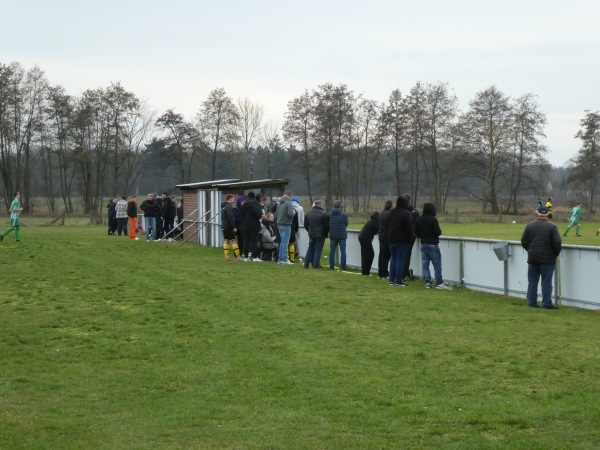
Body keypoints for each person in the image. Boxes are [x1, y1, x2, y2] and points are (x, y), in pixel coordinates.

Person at [521, 205, 562, 309]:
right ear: (547, 215)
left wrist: (529, 250)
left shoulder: (529, 225)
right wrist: (555, 254)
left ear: (537, 214)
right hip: (548, 259)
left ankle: (531, 303)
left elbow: (523, 241)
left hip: (533, 258)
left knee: (532, 282)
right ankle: (546, 303)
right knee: (546, 282)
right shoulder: (552, 226)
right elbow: (557, 242)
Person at [414, 202, 450, 289]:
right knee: (437, 265)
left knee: (425, 265)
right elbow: (438, 232)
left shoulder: (419, 219)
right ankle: (439, 283)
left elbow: (416, 232)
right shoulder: (433, 219)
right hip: (433, 244)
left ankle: (428, 282)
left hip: (423, 244)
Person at [386, 196, 413, 287]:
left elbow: (387, 225)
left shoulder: (390, 212)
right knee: (400, 260)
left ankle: (392, 280)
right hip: (402, 240)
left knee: (393, 259)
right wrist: (410, 239)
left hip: (391, 239)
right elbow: (409, 228)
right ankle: (399, 280)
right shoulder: (406, 213)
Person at [303, 200, 329, 269]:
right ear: (320, 205)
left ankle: (306, 264)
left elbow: (305, 225)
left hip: (311, 233)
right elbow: (326, 226)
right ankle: (315, 265)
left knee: (310, 248)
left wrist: (309, 231)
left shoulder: (308, 213)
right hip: (320, 234)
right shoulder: (324, 214)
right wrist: (326, 233)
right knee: (318, 249)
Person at [241, 191, 263, 262]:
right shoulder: (254, 205)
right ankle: (255, 257)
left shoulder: (244, 205)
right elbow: (259, 215)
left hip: (245, 226)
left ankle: (246, 257)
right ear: (254, 197)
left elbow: (241, 215)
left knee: (246, 241)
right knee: (254, 242)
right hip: (254, 226)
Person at [402, 193, 420, 281]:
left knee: (399, 255)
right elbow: (418, 223)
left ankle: (401, 273)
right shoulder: (414, 211)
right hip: (411, 235)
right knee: (407, 255)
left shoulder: (399, 210)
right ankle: (405, 274)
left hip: (400, 235)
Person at [275, 191, 296, 265]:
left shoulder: (280, 203)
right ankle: (284, 259)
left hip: (279, 224)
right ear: (290, 195)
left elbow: (276, 214)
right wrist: (294, 212)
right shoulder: (288, 203)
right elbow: (291, 214)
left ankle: (280, 259)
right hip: (286, 224)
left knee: (282, 242)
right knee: (285, 242)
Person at [328, 200, 349, 270]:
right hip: (342, 235)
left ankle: (331, 266)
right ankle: (343, 266)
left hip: (333, 235)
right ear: (340, 206)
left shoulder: (329, 215)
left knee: (332, 251)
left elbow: (328, 224)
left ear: (333, 205)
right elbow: (346, 224)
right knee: (343, 251)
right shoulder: (344, 215)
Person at [221, 194, 240, 261]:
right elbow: (230, 217)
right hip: (229, 226)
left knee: (226, 240)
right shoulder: (229, 207)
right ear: (230, 199)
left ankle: (226, 257)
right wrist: (233, 227)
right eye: (233, 199)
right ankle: (238, 257)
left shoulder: (224, 206)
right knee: (235, 240)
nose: (234, 200)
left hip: (224, 226)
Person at [377, 200, 393, 279]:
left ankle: (380, 273)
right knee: (386, 255)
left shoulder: (381, 213)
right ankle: (384, 273)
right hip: (386, 236)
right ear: (390, 205)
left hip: (381, 235)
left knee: (381, 255)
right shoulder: (389, 214)